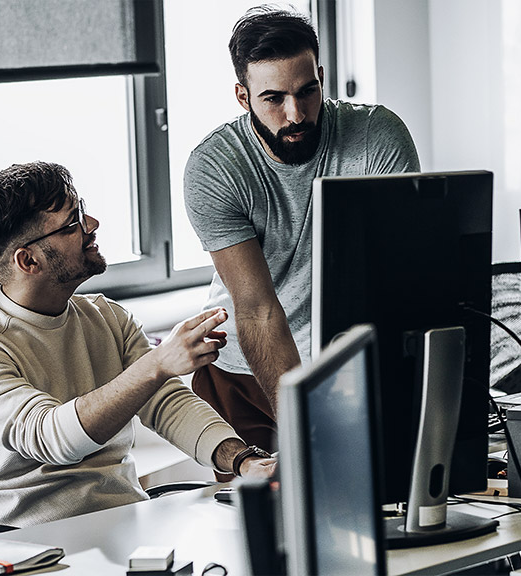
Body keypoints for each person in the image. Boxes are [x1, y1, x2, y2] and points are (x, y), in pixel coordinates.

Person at [0, 161, 276, 527]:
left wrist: (244, 461)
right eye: (72, 224)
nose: (91, 226)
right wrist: (156, 365)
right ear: (29, 260)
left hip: (126, 523)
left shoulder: (106, 317)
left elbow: (167, 402)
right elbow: (52, 438)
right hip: (35, 546)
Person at [184, 4, 421, 466]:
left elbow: (397, 274)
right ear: (242, 95)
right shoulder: (214, 169)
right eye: (273, 98)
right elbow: (256, 310)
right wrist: (304, 423)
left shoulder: (377, 136)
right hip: (244, 375)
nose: (295, 114)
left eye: (307, 91)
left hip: (345, 366)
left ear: (322, 77)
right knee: (268, 523)